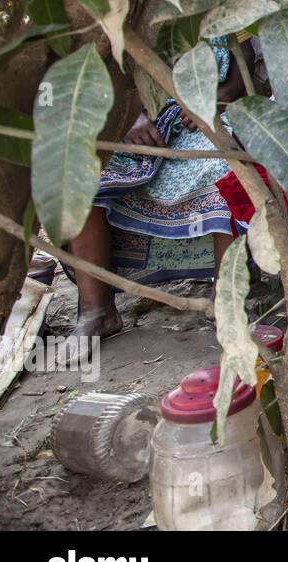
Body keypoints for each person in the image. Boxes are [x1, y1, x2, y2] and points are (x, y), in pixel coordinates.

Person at [67, 36, 246, 338]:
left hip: (202, 124)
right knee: (81, 177)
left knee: (223, 170)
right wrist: (127, 119)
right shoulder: (133, 13)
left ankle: (225, 300)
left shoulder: (230, 10)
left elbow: (240, 80)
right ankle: (96, 311)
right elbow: (100, 83)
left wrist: (211, 102)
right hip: (135, 128)